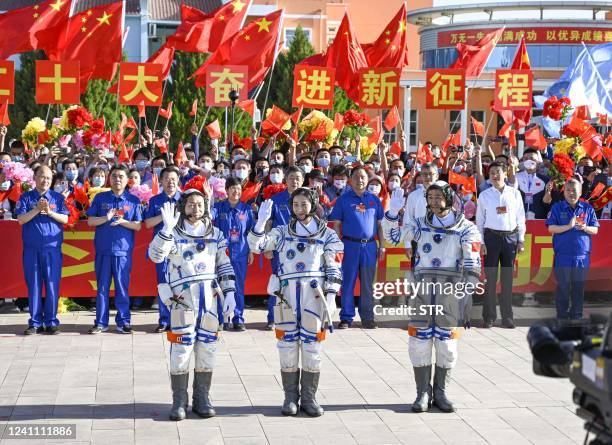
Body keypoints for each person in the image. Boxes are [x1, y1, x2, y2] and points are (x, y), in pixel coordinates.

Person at [383, 182, 481, 413]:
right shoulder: (419, 224)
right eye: (431, 197)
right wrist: (391, 213)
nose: (434, 201)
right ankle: (422, 393)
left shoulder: (466, 228)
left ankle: (441, 393)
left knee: (447, 344)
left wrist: (465, 294)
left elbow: (472, 262)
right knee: (419, 342)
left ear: (448, 198)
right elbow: (393, 237)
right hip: (422, 289)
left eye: (439, 197)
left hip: (449, 289)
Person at [248, 188, 343, 417]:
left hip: (314, 294)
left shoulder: (326, 234)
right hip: (287, 296)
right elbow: (258, 245)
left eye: (304, 204)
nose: (300, 209)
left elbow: (334, 263)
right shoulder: (281, 231)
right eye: (296, 205)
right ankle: (290, 397)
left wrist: (331, 295)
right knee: (287, 346)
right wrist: (260, 224)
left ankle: (309, 398)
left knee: (312, 347)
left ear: (313, 204)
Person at [148, 189, 236, 421]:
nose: (195, 209)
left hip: (209, 299)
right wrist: (166, 230)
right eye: (190, 205)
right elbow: (155, 256)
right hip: (183, 300)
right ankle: (179, 401)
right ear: (182, 207)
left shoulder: (215, 234)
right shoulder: (173, 234)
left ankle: (202, 399)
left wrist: (230, 293)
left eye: (199, 205)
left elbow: (224, 264)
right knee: (181, 349)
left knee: (207, 348)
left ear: (205, 207)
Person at [86, 165, 142, 334]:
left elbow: (138, 226)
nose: (117, 179)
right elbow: (90, 221)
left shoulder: (133, 201)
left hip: (123, 252)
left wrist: (123, 221)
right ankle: (100, 322)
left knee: (122, 288)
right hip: (103, 251)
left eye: (121, 176)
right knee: (102, 288)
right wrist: (106, 218)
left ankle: (123, 321)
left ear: (127, 180)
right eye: (114, 176)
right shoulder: (100, 198)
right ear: (109, 179)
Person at [15, 166, 69, 335]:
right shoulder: (25, 197)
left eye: (48, 177)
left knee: (52, 285)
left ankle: (51, 321)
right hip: (32, 249)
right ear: (35, 177)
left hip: (52, 249)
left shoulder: (58, 197)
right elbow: (21, 220)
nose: (45, 180)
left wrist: (50, 212)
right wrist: (37, 209)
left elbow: (65, 218)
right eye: (41, 177)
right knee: (34, 286)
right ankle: (35, 322)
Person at [329, 166, 384, 329]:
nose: (360, 180)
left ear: (367, 180)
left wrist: (382, 246)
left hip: (369, 247)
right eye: (357, 177)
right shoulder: (344, 200)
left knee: (368, 284)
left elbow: (380, 225)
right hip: (349, 246)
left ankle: (368, 317)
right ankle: (346, 317)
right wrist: (338, 245)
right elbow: (337, 225)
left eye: (363, 177)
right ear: (350, 180)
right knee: (348, 282)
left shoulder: (374, 200)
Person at [476, 161, 525, 329]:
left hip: (510, 240)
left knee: (507, 280)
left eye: (498, 172)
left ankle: (507, 318)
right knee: (490, 280)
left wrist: (521, 240)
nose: (495, 175)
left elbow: (520, 219)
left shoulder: (514, 194)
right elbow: (479, 221)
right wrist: (481, 242)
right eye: (492, 173)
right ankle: (489, 317)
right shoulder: (484, 195)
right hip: (491, 238)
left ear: (505, 174)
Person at [546, 178, 599, 320]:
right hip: (563, 256)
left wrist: (585, 227)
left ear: (580, 192)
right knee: (562, 288)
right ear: (564, 192)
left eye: (574, 190)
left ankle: (577, 315)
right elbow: (551, 228)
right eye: (568, 190)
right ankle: (562, 316)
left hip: (581, 257)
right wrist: (568, 226)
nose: (571, 193)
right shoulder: (557, 208)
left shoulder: (587, 209)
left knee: (578, 289)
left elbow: (595, 230)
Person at [264, 166, 305, 330]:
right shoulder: (276, 199)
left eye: (298, 178)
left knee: (301, 284)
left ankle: (298, 317)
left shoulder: (308, 198)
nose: (294, 181)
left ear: (302, 180)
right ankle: (273, 318)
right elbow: (268, 223)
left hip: (302, 250)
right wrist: (267, 246)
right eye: (291, 178)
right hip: (280, 249)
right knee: (278, 283)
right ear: (285, 180)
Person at [212, 177, 254, 331]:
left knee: (238, 287)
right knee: (219, 286)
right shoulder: (218, 207)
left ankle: (238, 318)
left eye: (238, 189)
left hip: (240, 253)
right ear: (227, 190)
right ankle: (221, 317)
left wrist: (251, 252)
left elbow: (251, 232)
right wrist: (210, 200)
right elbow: (209, 220)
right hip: (221, 254)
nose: (235, 192)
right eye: (232, 188)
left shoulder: (246, 209)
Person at [144, 166, 182, 332]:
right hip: (161, 250)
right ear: (161, 181)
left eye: (173, 179)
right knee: (163, 285)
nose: (170, 182)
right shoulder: (155, 201)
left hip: (180, 250)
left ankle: (178, 320)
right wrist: (164, 217)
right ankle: (164, 320)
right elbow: (147, 223)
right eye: (167, 178)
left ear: (178, 181)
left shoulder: (185, 199)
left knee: (180, 285)